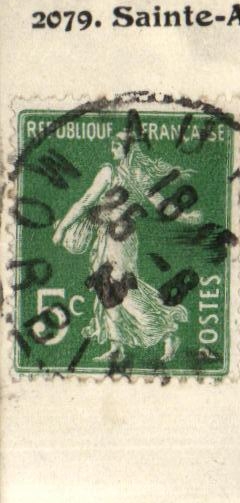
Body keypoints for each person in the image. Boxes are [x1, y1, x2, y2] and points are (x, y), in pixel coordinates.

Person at [51, 129, 195, 363]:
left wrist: (184, 217)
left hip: (122, 238)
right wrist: (63, 228)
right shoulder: (108, 172)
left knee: (124, 290)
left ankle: (168, 333)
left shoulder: (136, 174)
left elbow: (160, 203)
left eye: (118, 143)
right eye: (112, 143)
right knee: (105, 288)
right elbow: (85, 202)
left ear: (130, 148)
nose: (113, 147)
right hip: (104, 238)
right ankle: (116, 346)